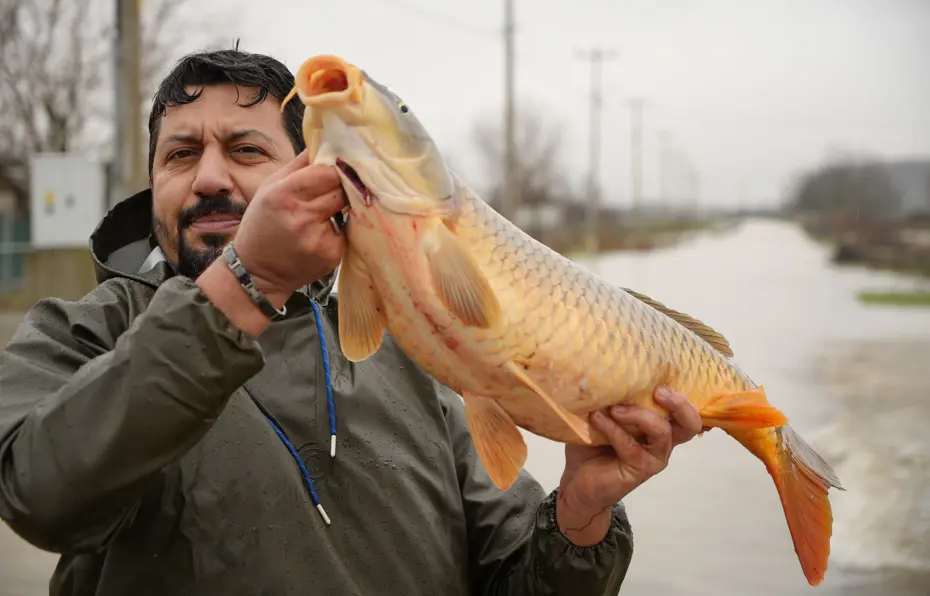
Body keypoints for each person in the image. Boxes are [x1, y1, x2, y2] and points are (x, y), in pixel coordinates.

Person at [0, 49, 703, 595]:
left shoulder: (412, 355)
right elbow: (37, 495)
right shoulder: (81, 332)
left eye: (246, 151)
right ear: (152, 183)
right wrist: (248, 281)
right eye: (181, 154)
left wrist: (579, 521)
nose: (210, 177)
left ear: (315, 171)